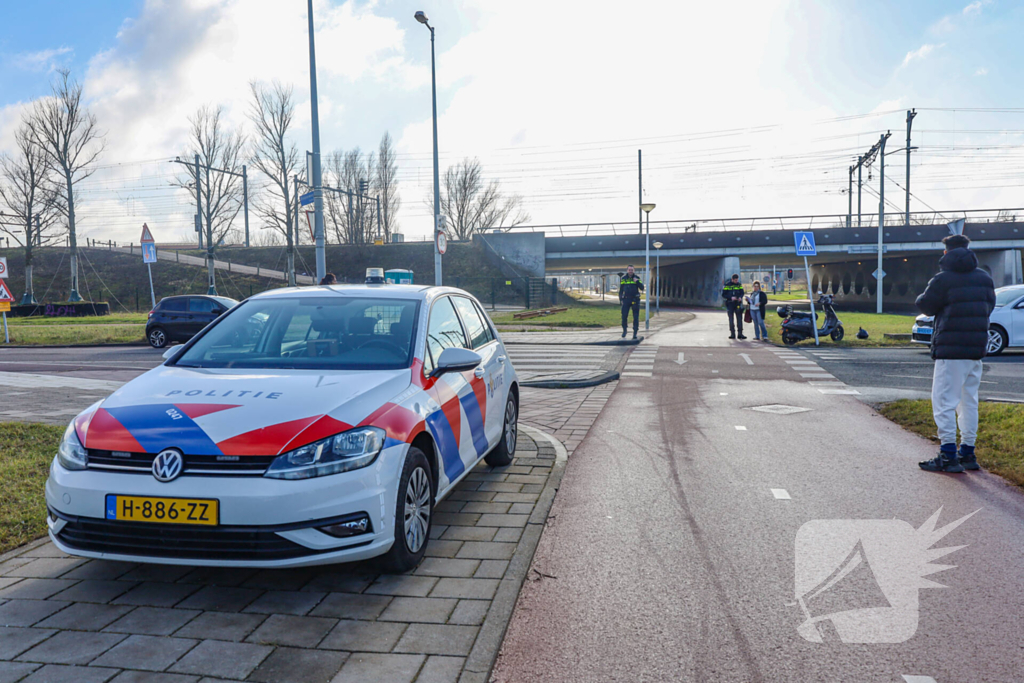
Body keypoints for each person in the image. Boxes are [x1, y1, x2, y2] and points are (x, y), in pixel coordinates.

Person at [915, 234, 996, 473]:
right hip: (975, 349)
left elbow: (926, 306)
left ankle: (948, 456)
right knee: (968, 402)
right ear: (968, 250)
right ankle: (968, 454)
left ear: (946, 252)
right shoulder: (984, 278)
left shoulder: (943, 279)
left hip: (950, 350)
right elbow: (988, 306)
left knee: (943, 402)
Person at [619, 265, 644, 339]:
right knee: (624, 316)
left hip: (635, 300)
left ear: (634, 270)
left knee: (635, 317)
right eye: (629, 270)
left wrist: (637, 282)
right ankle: (624, 330)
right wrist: (621, 299)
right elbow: (621, 290)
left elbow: (642, 287)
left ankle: (635, 332)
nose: (630, 271)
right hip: (626, 300)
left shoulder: (637, 278)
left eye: (632, 270)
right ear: (627, 270)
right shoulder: (624, 279)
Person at [722, 273, 746, 340]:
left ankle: (740, 334)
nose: (736, 281)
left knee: (739, 319)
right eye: (735, 280)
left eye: (737, 280)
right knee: (731, 319)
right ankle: (732, 334)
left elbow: (742, 292)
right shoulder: (727, 285)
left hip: (737, 303)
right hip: (730, 304)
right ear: (732, 279)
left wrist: (740, 297)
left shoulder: (739, 285)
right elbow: (723, 294)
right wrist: (730, 298)